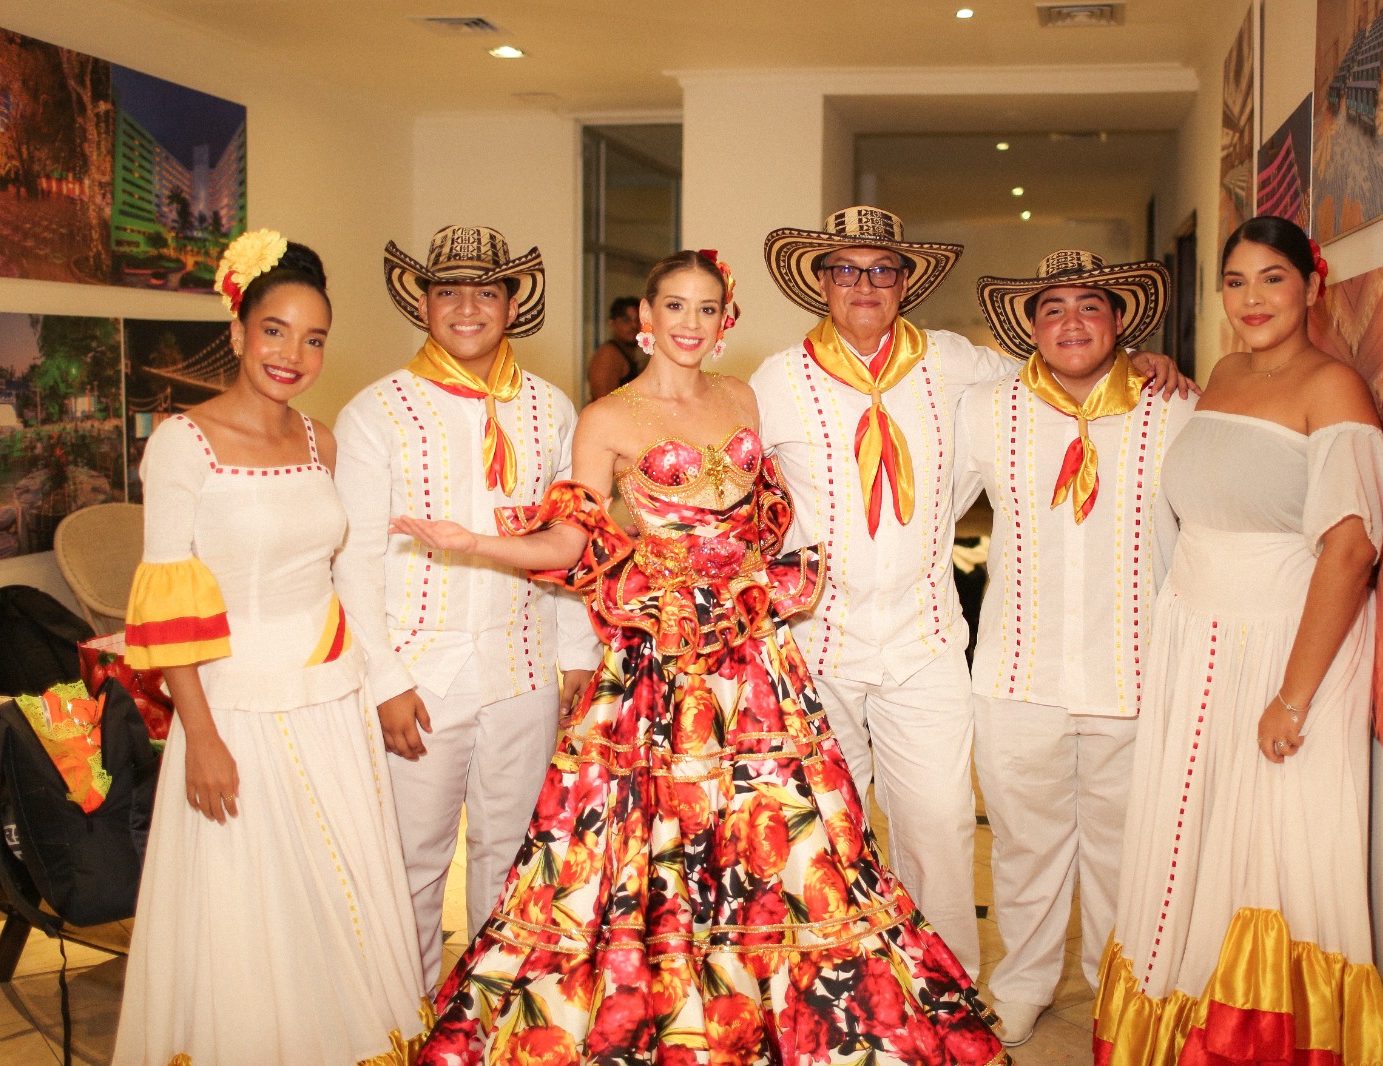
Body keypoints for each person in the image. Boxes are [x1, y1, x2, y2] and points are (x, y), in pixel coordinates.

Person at [395, 250, 1010, 1065]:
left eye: (707, 308)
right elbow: (572, 539)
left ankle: (790, 1015)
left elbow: (773, 518)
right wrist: (473, 542)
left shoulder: (745, 396)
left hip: (757, 664)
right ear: (645, 319)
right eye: (674, 307)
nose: (690, 323)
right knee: (660, 854)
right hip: (661, 673)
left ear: (728, 322)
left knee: (786, 848)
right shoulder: (607, 418)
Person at [751, 206, 1189, 978]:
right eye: (846, 269)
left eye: (882, 269)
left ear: (906, 282)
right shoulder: (775, 379)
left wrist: (1143, 363)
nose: (864, 284)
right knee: (822, 833)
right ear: (821, 281)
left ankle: (941, 986)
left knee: (941, 828)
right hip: (813, 644)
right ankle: (834, 992)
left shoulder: (962, 365)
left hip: (926, 640)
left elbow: (1060, 380)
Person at [113, 231, 425, 1064]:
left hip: (334, 699)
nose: (294, 353)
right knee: (250, 910)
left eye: (314, 338)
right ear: (241, 328)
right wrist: (201, 737)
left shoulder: (321, 443)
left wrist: (380, 680)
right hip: (235, 712)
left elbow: (345, 572)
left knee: (338, 896)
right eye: (276, 330)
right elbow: (171, 598)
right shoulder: (184, 444)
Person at [1093, 216, 1383, 1065]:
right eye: (1236, 282)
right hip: (1197, 644)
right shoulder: (1222, 373)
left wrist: (1291, 697)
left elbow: (1350, 547)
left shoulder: (1332, 389)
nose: (1252, 299)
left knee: (1264, 851)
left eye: (1272, 279)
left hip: (1277, 650)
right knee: (1189, 842)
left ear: (1312, 284)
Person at [333, 225, 601, 988]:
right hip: (418, 678)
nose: (467, 307)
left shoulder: (551, 408)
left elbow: (567, 538)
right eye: (447, 289)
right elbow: (353, 561)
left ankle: (490, 1019)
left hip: (522, 670)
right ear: (422, 302)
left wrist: (577, 651)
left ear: (513, 304)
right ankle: (411, 1015)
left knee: (514, 856)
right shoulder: (376, 411)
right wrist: (382, 679)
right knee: (413, 860)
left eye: (487, 289)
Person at [955, 250, 1196, 1046]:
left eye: (1089, 306)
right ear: (1029, 325)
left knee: (1127, 853)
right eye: (1051, 307)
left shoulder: (1178, 411)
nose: (1070, 323)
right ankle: (1022, 984)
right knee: (1025, 847)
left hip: (1136, 670)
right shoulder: (984, 411)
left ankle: (1113, 988)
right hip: (1019, 673)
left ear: (1119, 319)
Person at [586, 294, 645, 399]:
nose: (634, 325)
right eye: (626, 320)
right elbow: (603, 402)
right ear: (612, 323)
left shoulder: (630, 353)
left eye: (637, 320)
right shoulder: (608, 354)